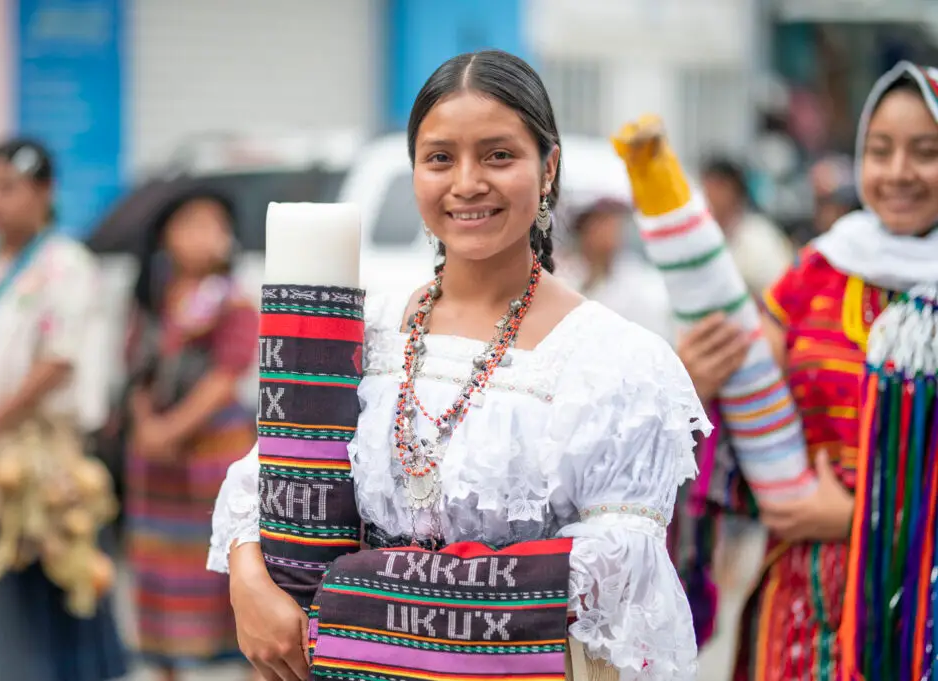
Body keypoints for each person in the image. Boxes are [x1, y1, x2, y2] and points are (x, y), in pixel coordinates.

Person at [209, 50, 708, 681]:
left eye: (499, 155)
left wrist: (367, 595)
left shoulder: (616, 362)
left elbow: (617, 567)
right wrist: (249, 580)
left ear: (548, 166)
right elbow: (271, 478)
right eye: (440, 158)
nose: (467, 182)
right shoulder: (364, 335)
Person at [677, 62, 938, 680]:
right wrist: (691, 384)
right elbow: (743, 393)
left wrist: (858, 520)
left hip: (922, 623)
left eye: (925, 152)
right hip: (799, 615)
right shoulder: (816, 272)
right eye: (880, 150)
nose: (898, 171)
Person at [0, 139, 127, 681]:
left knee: (51, 585)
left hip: (40, 450)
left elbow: (57, 364)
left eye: (9, 188)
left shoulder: (66, 264)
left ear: (44, 192)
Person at [123, 188, 258, 680]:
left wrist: (169, 430)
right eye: (192, 224)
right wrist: (146, 425)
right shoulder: (152, 301)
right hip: (154, 463)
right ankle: (164, 668)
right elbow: (134, 369)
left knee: (223, 568)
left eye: (215, 225)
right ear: (166, 237)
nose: (206, 236)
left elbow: (226, 376)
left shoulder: (233, 302)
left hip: (209, 459)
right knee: (158, 567)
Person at [560, 195, 673, 342]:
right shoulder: (563, 279)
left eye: (613, 219)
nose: (610, 228)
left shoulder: (644, 285)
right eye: (600, 220)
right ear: (583, 227)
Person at [700, 156, 795, 296]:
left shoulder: (760, 237)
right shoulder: (702, 237)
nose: (708, 196)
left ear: (733, 191)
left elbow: (782, 292)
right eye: (705, 188)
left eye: (716, 188)